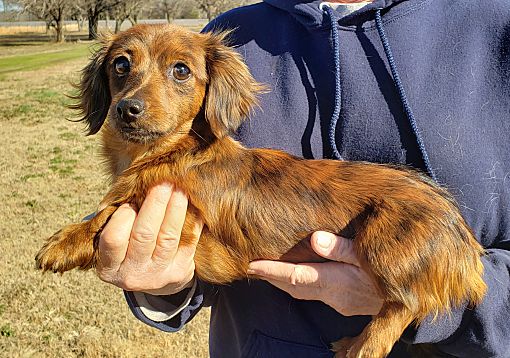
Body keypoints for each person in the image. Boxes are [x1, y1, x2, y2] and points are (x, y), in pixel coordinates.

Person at [96, 0, 510, 357]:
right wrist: (164, 282)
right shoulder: (229, 40)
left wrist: (436, 305)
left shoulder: (496, 24)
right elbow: (198, 242)